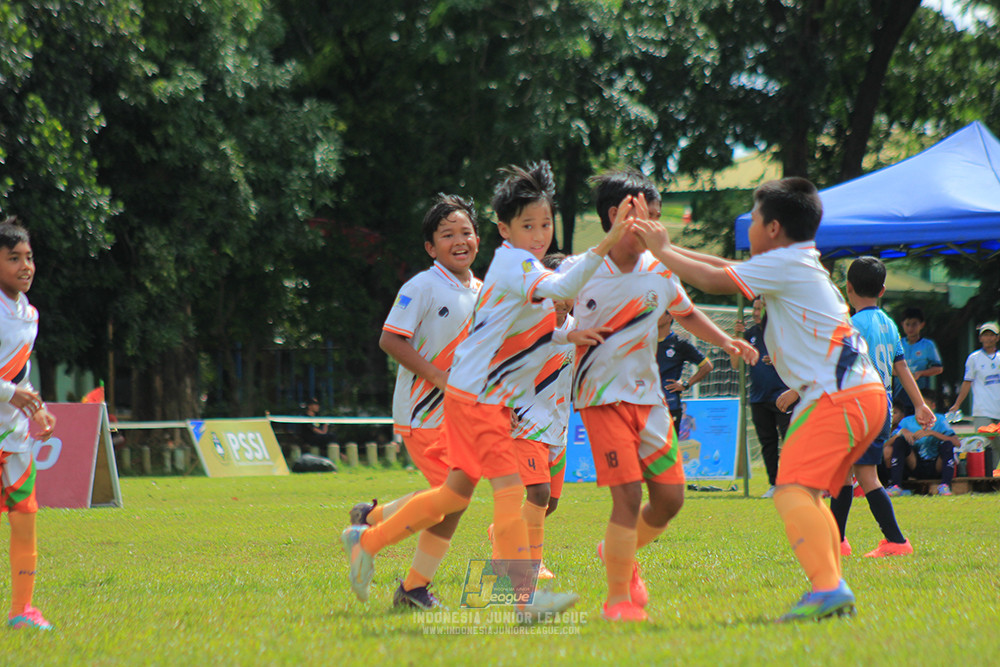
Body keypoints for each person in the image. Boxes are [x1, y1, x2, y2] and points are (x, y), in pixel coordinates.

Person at [341, 162, 632, 620]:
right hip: (470, 401)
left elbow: (515, 332)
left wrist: (565, 335)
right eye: (528, 225)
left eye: (546, 224)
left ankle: (373, 544)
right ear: (504, 229)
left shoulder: (509, 270)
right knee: (500, 494)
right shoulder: (516, 265)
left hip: (481, 400)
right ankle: (518, 598)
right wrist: (611, 240)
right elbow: (565, 283)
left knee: (456, 498)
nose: (540, 234)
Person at [631, 177, 886, 622]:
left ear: (772, 228)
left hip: (838, 396)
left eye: (752, 220)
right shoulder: (798, 261)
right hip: (860, 394)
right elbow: (722, 264)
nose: (747, 229)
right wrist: (665, 250)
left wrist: (663, 249)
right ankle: (830, 588)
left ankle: (829, 588)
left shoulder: (785, 264)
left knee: (789, 492)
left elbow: (714, 279)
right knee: (808, 495)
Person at [565, 169, 756, 622]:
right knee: (628, 498)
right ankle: (617, 600)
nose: (656, 226)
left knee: (670, 500)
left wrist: (726, 341)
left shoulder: (659, 268)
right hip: (601, 399)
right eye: (646, 216)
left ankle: (618, 549)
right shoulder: (581, 269)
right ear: (616, 215)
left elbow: (685, 313)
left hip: (649, 401)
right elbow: (541, 311)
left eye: (657, 216)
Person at [356, 194, 481, 610]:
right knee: (452, 497)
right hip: (425, 414)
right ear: (431, 247)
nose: (459, 241)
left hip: (462, 416)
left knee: (451, 498)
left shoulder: (482, 291)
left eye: (466, 232)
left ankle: (371, 522)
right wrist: (439, 378)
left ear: (478, 239)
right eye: (447, 235)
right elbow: (390, 340)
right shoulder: (422, 286)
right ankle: (396, 571)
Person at [830, 256, 934, 558]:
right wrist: (919, 404)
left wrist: (797, 391)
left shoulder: (851, 326)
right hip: (882, 408)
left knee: (866, 476)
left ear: (848, 288)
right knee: (844, 472)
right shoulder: (889, 324)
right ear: (883, 290)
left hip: (859, 407)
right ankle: (837, 542)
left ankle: (896, 541)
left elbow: (835, 368)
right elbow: (901, 367)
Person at [0, 218, 57, 630]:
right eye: (14, 258)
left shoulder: (29, 314)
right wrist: (9, 394)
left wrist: (35, 406)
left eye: (29, 257)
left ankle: (23, 610)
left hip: (15, 438)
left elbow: (19, 375)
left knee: (25, 519)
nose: (26, 266)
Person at [730, 296, 796, 498]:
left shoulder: (783, 332)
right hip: (759, 397)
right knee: (767, 443)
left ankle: (793, 482)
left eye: (760, 308)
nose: (756, 313)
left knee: (790, 441)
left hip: (783, 395)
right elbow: (736, 364)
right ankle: (774, 483)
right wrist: (737, 338)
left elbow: (797, 360)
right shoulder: (750, 334)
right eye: (754, 308)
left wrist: (778, 360)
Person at [886, 392, 960, 495]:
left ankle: (945, 486)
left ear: (933, 406)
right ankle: (896, 486)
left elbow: (957, 443)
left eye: (926, 406)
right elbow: (886, 444)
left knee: (947, 444)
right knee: (899, 442)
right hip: (915, 463)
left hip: (935, 465)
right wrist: (901, 432)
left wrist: (932, 433)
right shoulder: (907, 421)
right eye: (919, 405)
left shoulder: (940, 420)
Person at [656, 311, 713, 430]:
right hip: (646, 403)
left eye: (660, 312)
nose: (655, 315)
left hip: (670, 405)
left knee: (670, 441)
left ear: (669, 317)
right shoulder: (646, 342)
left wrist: (686, 384)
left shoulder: (679, 343)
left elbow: (707, 366)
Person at [948, 321, 1000, 431]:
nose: (988, 338)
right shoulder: (974, 358)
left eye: (992, 335)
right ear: (980, 338)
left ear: (997, 338)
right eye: (985, 335)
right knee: (982, 440)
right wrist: (957, 404)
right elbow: (967, 382)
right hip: (982, 411)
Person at [893, 308, 943, 415]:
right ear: (902, 324)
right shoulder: (897, 344)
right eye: (907, 324)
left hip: (921, 395)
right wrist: (904, 374)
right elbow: (889, 368)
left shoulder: (928, 345)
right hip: (900, 395)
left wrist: (921, 373)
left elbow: (938, 368)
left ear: (922, 325)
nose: (910, 328)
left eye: (914, 324)